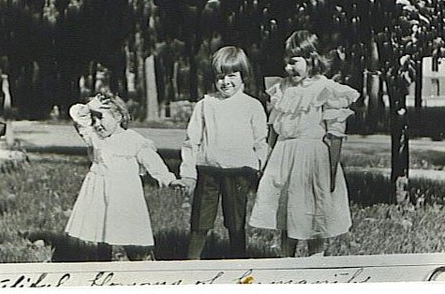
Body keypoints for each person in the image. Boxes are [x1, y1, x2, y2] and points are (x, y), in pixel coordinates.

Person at [249, 30, 360, 257]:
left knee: (314, 214)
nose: (289, 69)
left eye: (294, 63)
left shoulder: (325, 88)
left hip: (313, 158)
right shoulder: (282, 89)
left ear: (311, 59)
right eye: (286, 63)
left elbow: (335, 133)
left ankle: (315, 264)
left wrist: (331, 168)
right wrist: (266, 160)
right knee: (287, 213)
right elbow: (274, 129)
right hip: (284, 156)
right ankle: (286, 264)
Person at [171, 46, 268, 259]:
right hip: (209, 170)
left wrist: (259, 166)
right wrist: (188, 172)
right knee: (200, 222)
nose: (226, 82)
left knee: (235, 223)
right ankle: (191, 263)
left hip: (239, 171)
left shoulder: (252, 106)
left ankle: (238, 263)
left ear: (244, 76)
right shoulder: (206, 105)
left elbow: (261, 140)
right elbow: (192, 140)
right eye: (220, 77)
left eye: (232, 75)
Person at [66, 92, 177, 261]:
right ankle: (103, 265)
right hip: (99, 192)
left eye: (101, 118)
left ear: (118, 116)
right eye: (93, 120)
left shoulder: (132, 139)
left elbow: (151, 161)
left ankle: (140, 262)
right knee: (101, 230)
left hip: (124, 193)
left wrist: (168, 179)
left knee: (128, 230)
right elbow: (78, 116)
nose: (96, 124)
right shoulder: (95, 138)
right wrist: (91, 107)